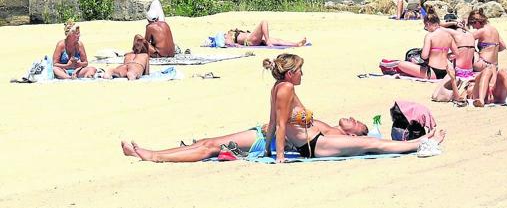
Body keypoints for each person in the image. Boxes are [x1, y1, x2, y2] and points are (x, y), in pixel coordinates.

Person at [264, 54, 446, 162]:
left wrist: (267, 150)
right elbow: (279, 124)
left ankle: (420, 141)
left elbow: (273, 121)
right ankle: (422, 143)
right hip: (315, 144)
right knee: (370, 144)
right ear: (290, 73)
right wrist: (280, 155)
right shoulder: (286, 88)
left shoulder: (278, 87)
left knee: (369, 144)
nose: (302, 74)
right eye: (300, 70)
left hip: (313, 143)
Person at [123, 117, 368, 163]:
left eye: (358, 123)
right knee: (208, 141)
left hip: (264, 140)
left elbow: (300, 140)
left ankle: (153, 156)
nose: (353, 118)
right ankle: (153, 151)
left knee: (209, 147)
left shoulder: (334, 136)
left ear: (353, 135)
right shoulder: (330, 127)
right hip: (264, 133)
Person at [381, 9, 456, 80]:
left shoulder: (430, 36)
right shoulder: (449, 36)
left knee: (400, 64)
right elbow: (457, 53)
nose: (426, 29)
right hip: (446, 72)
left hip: (432, 72)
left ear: (428, 24)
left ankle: (385, 64)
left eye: (426, 27)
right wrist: (445, 56)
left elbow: (424, 56)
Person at [432, 17, 492, 102]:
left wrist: (453, 23)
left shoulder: (454, 33)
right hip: (469, 73)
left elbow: (437, 26)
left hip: (458, 73)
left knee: (435, 95)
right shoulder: (470, 34)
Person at [223, 20, 306, 47]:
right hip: (249, 40)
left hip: (252, 40)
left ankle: (296, 44)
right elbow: (228, 42)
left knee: (278, 40)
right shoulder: (227, 35)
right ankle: (268, 41)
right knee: (264, 22)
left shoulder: (235, 33)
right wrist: (237, 45)